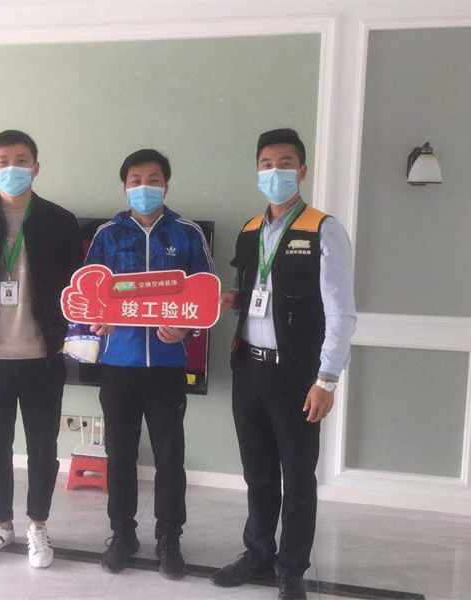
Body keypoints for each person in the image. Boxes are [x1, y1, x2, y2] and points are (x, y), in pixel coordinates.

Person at [213, 129, 356, 599]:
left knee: (296, 477)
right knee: (257, 473)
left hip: (297, 375)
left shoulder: (323, 229)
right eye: (267, 164)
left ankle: (291, 567)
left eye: (285, 163)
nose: (275, 172)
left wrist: (326, 380)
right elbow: (258, 294)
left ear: (302, 170)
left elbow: (341, 312)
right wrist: (234, 298)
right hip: (249, 368)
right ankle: (257, 553)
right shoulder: (250, 230)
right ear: (257, 171)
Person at [81, 149, 214, 580]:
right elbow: (89, 292)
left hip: (167, 366)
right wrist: (96, 319)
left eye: (153, 179)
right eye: (135, 180)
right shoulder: (107, 235)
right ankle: (122, 534)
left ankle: (169, 537)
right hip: (118, 364)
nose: (144, 187)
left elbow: (205, 296)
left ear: (166, 185)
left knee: (170, 456)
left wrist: (186, 328)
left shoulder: (187, 233)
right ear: (125, 186)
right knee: (119, 455)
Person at [0, 129, 83, 569]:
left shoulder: (60, 221)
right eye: (3, 161)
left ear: (36, 166)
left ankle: (37, 526)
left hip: (42, 357)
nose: (13, 168)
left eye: (22, 160)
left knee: (43, 449)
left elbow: (74, 287)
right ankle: (0, 524)